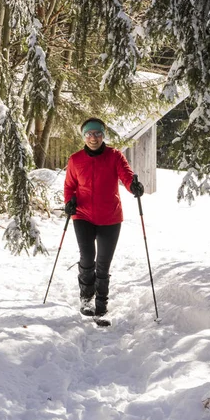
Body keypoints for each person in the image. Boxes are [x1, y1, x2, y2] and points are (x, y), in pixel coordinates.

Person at [64, 117, 144, 326]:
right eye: (89, 134)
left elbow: (126, 175)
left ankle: (101, 304)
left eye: (97, 134)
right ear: (84, 136)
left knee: (103, 263)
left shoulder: (114, 156)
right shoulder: (75, 159)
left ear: (103, 135)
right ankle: (87, 298)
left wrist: (133, 185)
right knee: (88, 256)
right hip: (82, 215)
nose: (93, 138)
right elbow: (70, 186)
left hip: (110, 216)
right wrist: (69, 202)